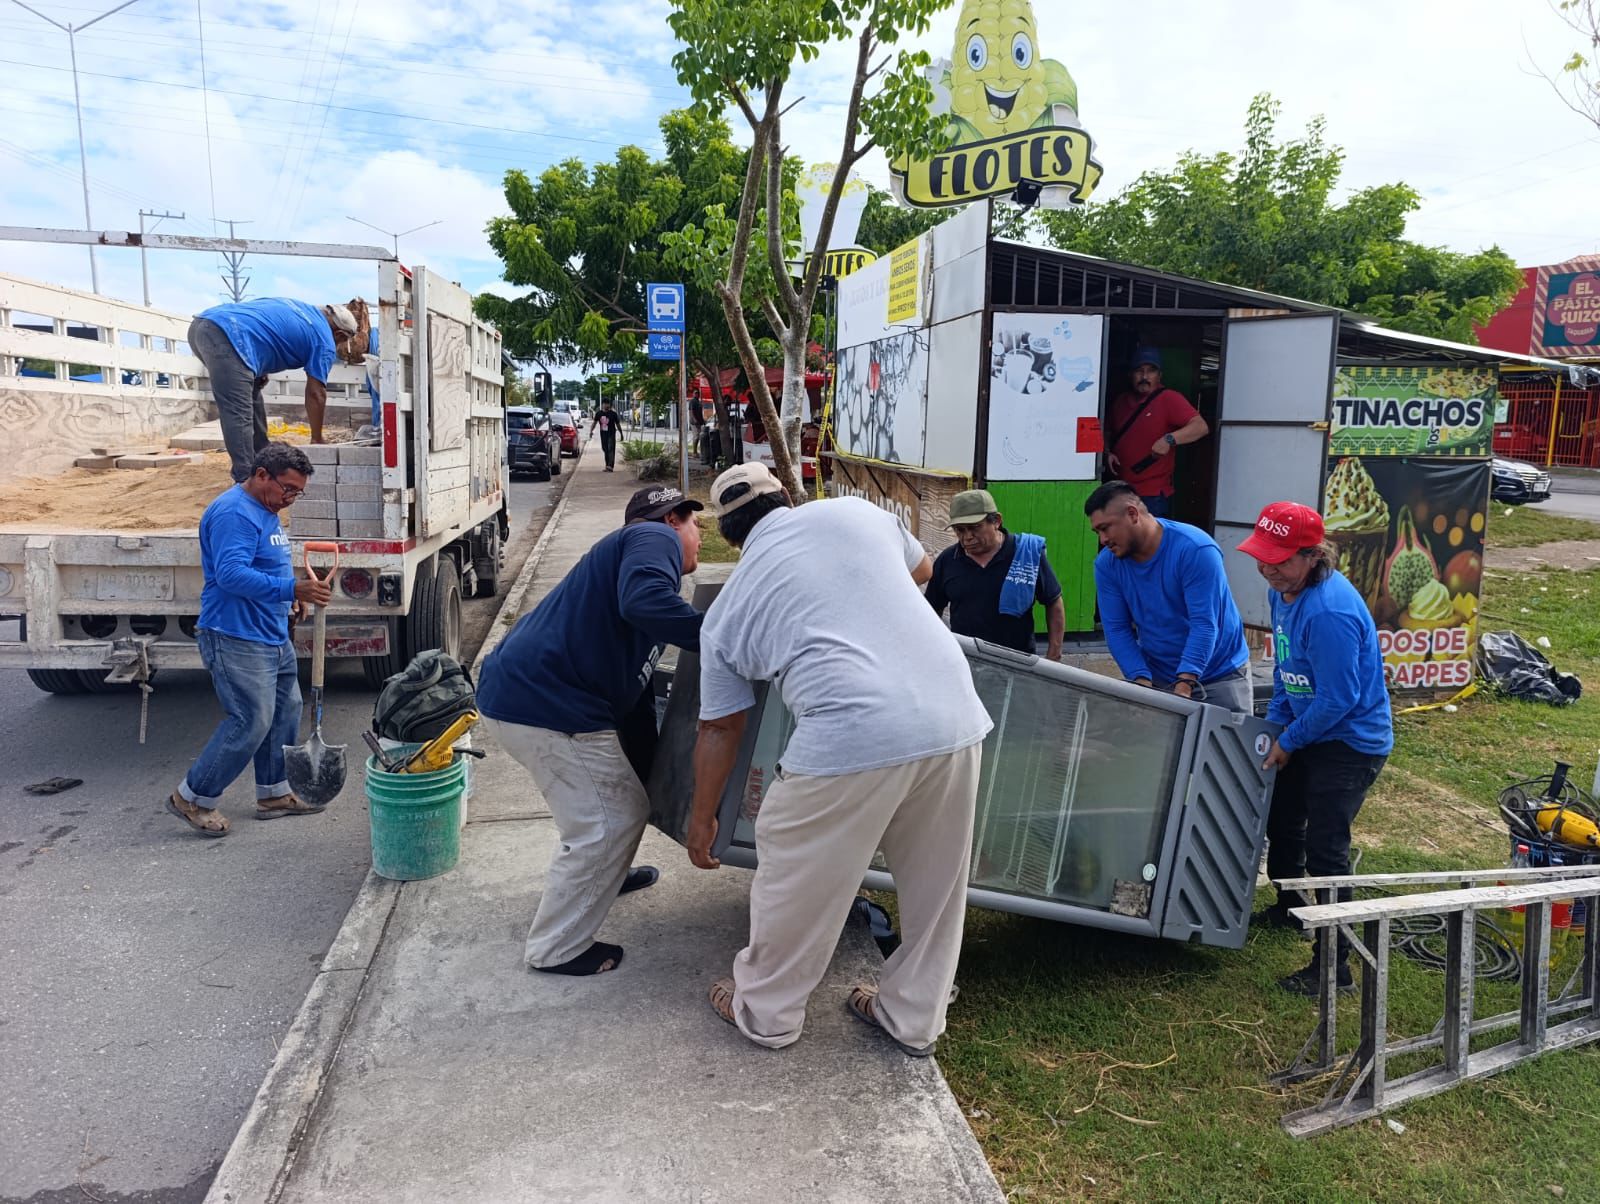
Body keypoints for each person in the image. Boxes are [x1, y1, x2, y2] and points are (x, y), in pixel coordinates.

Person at [688, 464, 992, 1055]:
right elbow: (924, 570)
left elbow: (721, 728)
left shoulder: (727, 612)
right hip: (953, 712)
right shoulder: (855, 513)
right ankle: (913, 1019)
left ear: (729, 536)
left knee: (793, 872)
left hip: (851, 730)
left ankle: (765, 1012)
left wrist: (702, 820)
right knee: (937, 885)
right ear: (787, 496)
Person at [476, 484, 705, 976]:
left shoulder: (633, 578)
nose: (699, 535)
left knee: (616, 806)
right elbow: (645, 601)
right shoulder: (651, 538)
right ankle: (557, 947)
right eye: (694, 523)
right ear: (671, 521)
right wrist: (724, 636)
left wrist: (653, 783)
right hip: (544, 706)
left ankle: (604, 875)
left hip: (527, 698)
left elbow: (636, 707)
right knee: (606, 821)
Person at [1238, 501, 1392, 996]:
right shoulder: (1282, 590)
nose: (1268, 568)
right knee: (1282, 818)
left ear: (1312, 555)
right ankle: (1288, 907)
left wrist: (1290, 740)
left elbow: (1339, 698)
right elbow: (1287, 670)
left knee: (1327, 851)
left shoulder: (1329, 612)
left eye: (1279, 560)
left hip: (1348, 741)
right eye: (1262, 557)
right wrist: (1279, 721)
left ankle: (1334, 968)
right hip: (1309, 725)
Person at [166, 444, 331, 837]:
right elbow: (230, 575)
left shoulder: (267, 511)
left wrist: (289, 596)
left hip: (270, 633)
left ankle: (274, 792)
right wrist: (294, 586)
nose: (290, 498)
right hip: (236, 634)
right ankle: (193, 796)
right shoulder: (234, 514)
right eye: (287, 489)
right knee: (250, 720)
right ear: (261, 475)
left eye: (297, 492)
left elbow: (266, 561)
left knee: (286, 709)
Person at [1085, 480, 1252, 713]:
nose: (1103, 539)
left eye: (1106, 528)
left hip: (1221, 675)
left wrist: (1184, 685)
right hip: (1159, 678)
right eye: (1097, 532)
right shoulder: (1107, 565)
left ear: (1132, 514)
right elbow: (1116, 630)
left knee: (1231, 749)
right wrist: (1140, 681)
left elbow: (1204, 624)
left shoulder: (1195, 549)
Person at [189, 297, 368, 481]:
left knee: (252, 395)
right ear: (339, 334)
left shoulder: (304, 308)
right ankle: (245, 480)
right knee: (238, 411)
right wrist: (317, 438)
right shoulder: (324, 340)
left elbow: (267, 327)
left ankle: (263, 461)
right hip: (227, 335)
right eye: (342, 342)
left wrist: (260, 368)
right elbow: (316, 393)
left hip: (202, 325)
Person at [925, 488, 1065, 660]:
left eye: (974, 528)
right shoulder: (948, 560)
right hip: (966, 660)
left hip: (1018, 663)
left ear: (996, 521)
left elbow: (1053, 601)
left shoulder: (1025, 555)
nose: (967, 537)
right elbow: (931, 611)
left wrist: (1054, 654)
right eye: (959, 530)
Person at [1104, 347, 1208, 517]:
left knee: (1151, 543)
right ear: (1130, 375)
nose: (1144, 377)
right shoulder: (1121, 402)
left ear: (1159, 376)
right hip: (1120, 491)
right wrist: (1107, 452)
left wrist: (1169, 439)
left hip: (1152, 495)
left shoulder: (1169, 398)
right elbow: (1107, 431)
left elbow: (1200, 427)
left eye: (1151, 371)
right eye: (1139, 371)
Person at [590, 402, 624, 471]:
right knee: (605, 449)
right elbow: (594, 423)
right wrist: (591, 431)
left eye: (608, 404)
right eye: (605, 404)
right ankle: (607, 465)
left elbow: (618, 424)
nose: (606, 405)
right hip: (603, 434)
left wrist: (621, 433)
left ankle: (610, 466)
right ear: (602, 405)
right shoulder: (599, 413)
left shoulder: (613, 414)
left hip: (611, 433)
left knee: (610, 448)